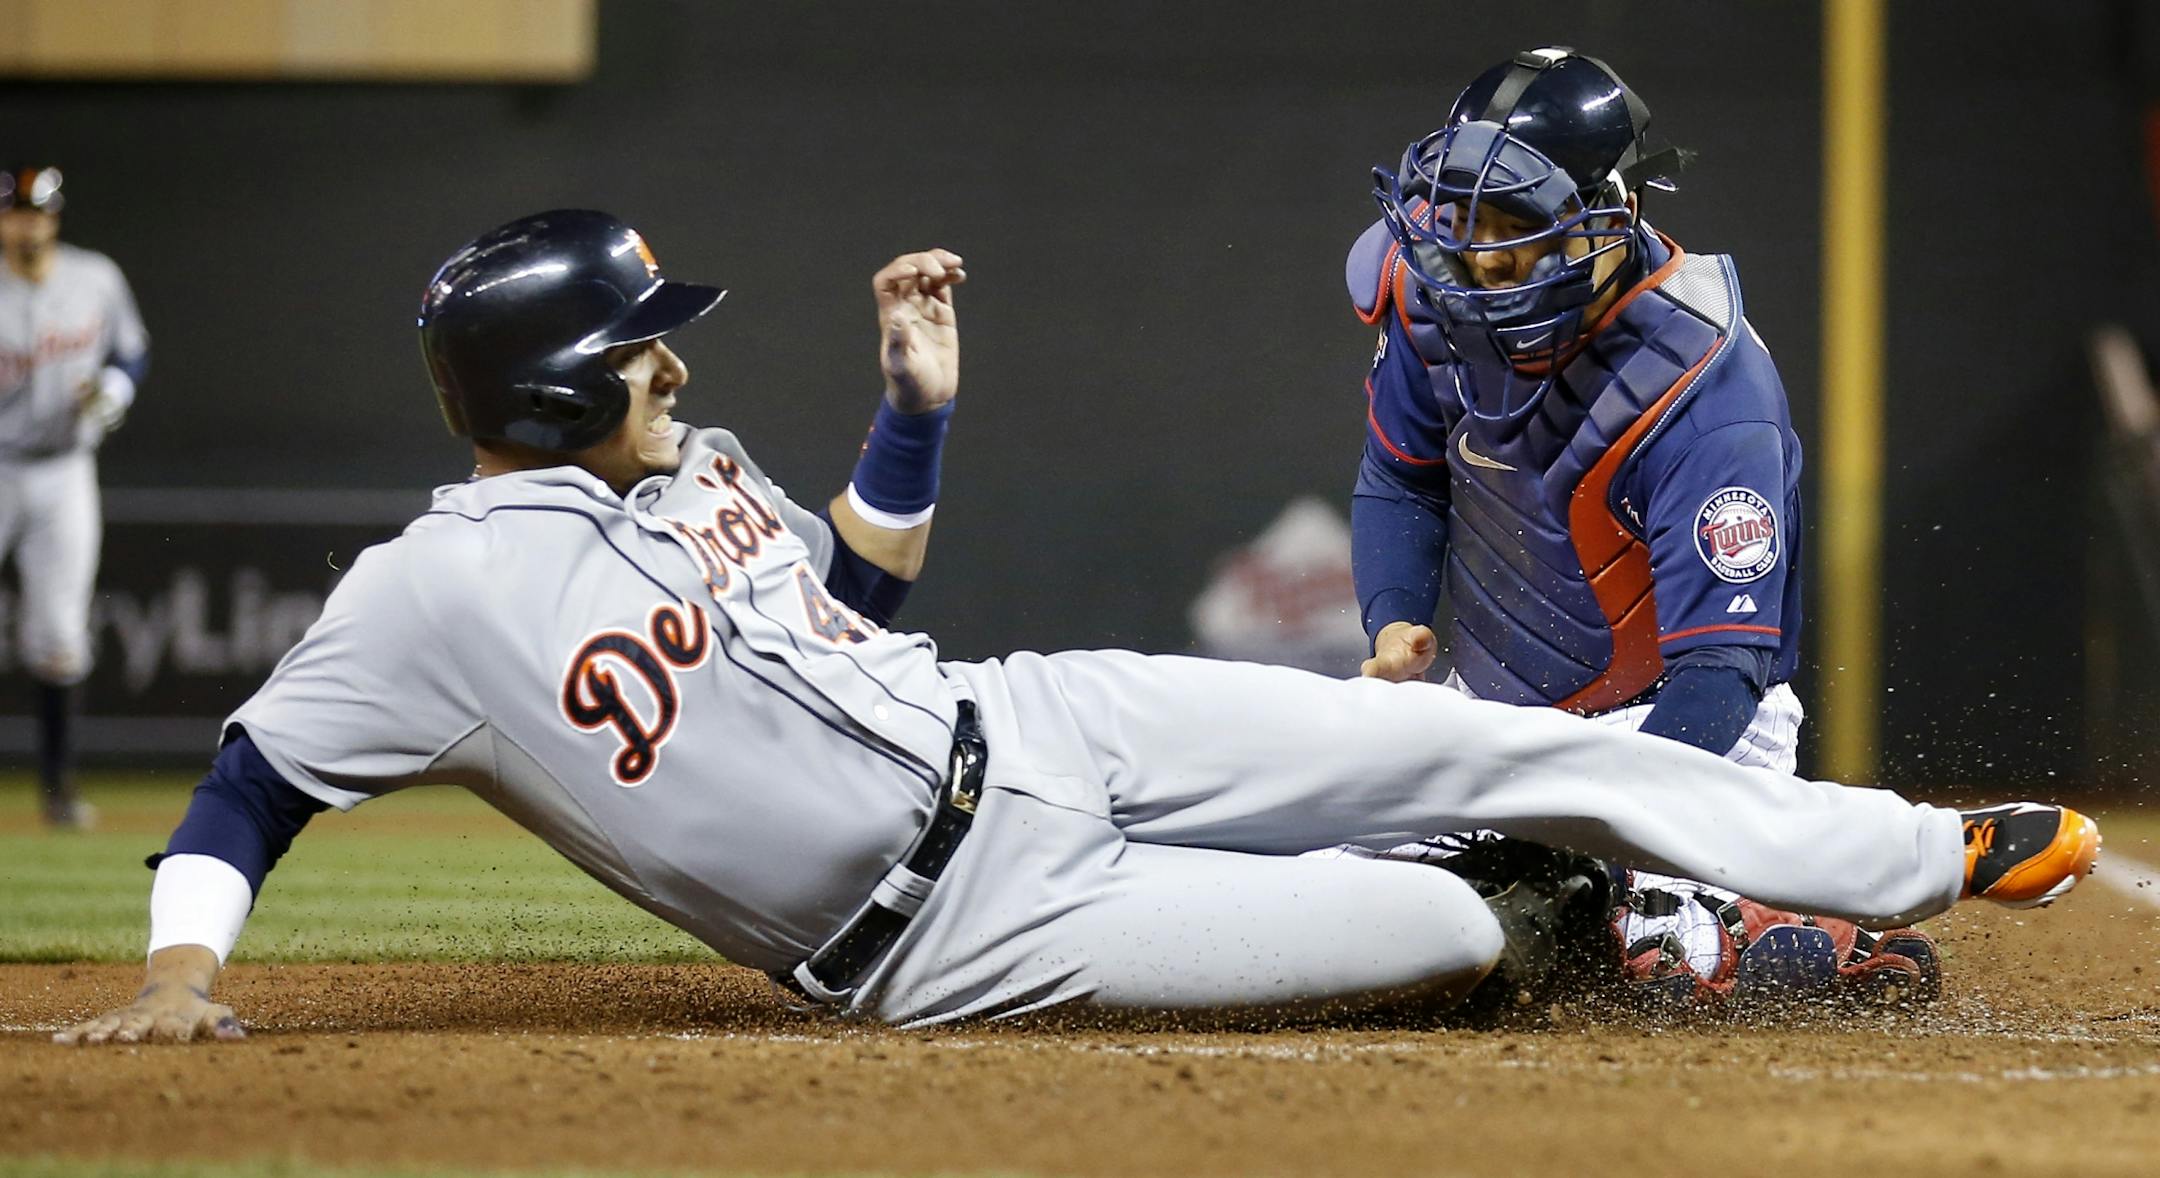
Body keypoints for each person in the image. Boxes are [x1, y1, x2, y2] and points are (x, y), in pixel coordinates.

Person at [58, 209, 2095, 1045]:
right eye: (640, 349)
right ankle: (1626, 920)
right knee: (1472, 934)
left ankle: (1923, 844)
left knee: (1503, 736)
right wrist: (173, 974)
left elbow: (848, 613)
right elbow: (246, 789)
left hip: (1038, 718)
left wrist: (910, 422)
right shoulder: (417, 603)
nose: (672, 369)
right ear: (546, 388)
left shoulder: (682, 474)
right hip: (958, 940)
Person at [1345, 48, 1936, 1003]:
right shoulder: (1435, 302)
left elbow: (1720, 671)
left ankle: (1800, 914)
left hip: (1679, 735)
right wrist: (1393, 621)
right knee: (1339, 892)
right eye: (1461, 216)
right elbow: (1400, 479)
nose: (1476, 254)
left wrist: (1609, 834)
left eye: (1516, 226)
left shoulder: (1707, 386)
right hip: (1490, 714)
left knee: (1658, 963)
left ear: (1607, 221)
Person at [0, 166, 149, 830]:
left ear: (55, 217)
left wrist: (115, 391)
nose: (28, 224)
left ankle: (59, 790)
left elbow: (131, 353)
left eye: (38, 212)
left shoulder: (95, 277)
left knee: (61, 636)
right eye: (16, 213)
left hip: (65, 469)